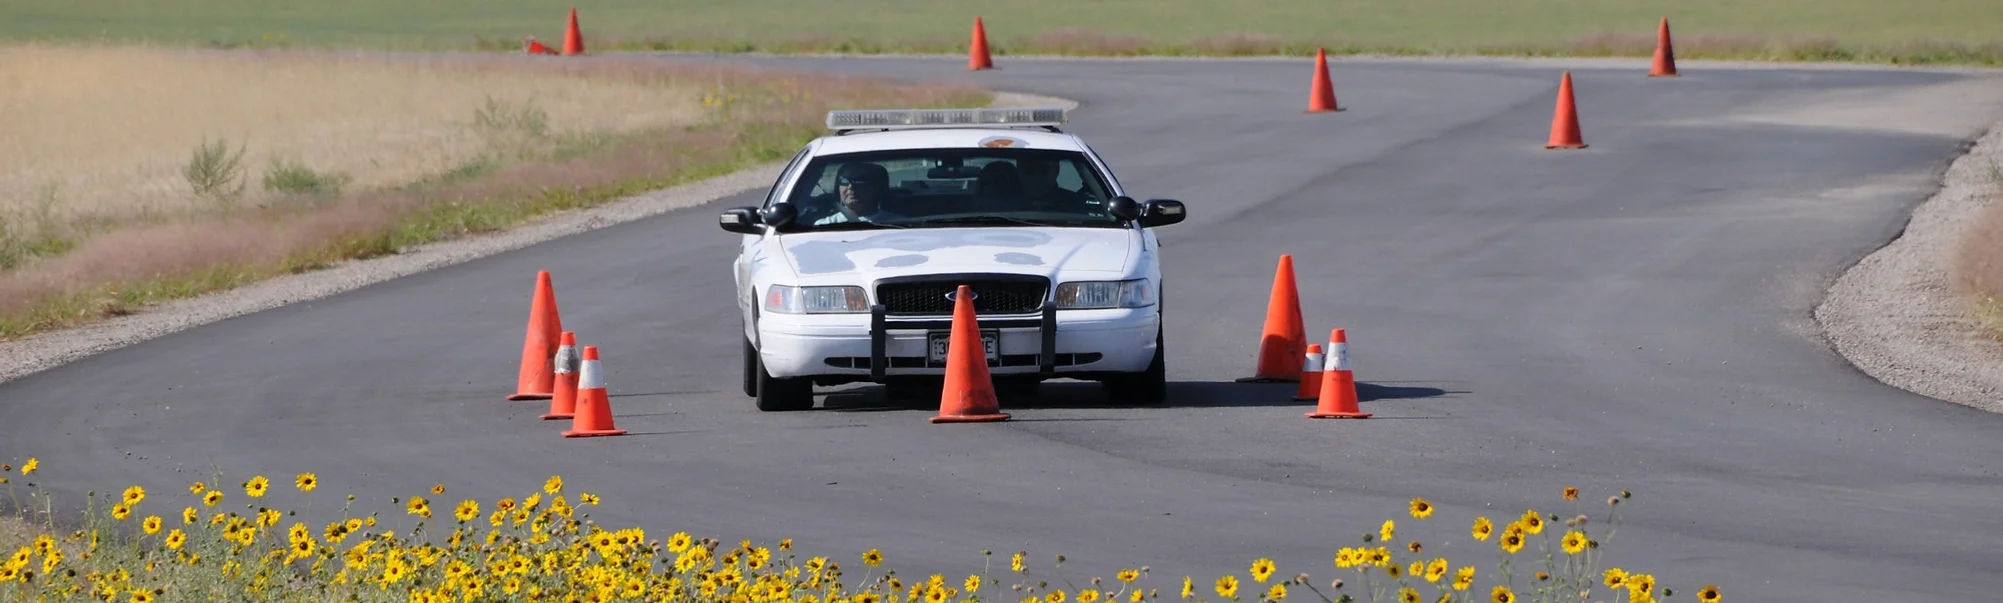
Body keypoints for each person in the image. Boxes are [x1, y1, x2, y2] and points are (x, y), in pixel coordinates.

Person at [804, 162, 906, 226]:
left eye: (860, 182)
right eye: (844, 182)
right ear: (837, 188)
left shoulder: (899, 224)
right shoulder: (823, 226)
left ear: (877, 188)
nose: (851, 187)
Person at [1015, 157, 1090, 212]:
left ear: (1057, 170)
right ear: (1018, 171)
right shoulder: (1004, 204)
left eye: (1044, 170)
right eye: (1029, 170)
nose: (1037, 176)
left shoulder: (1078, 206)